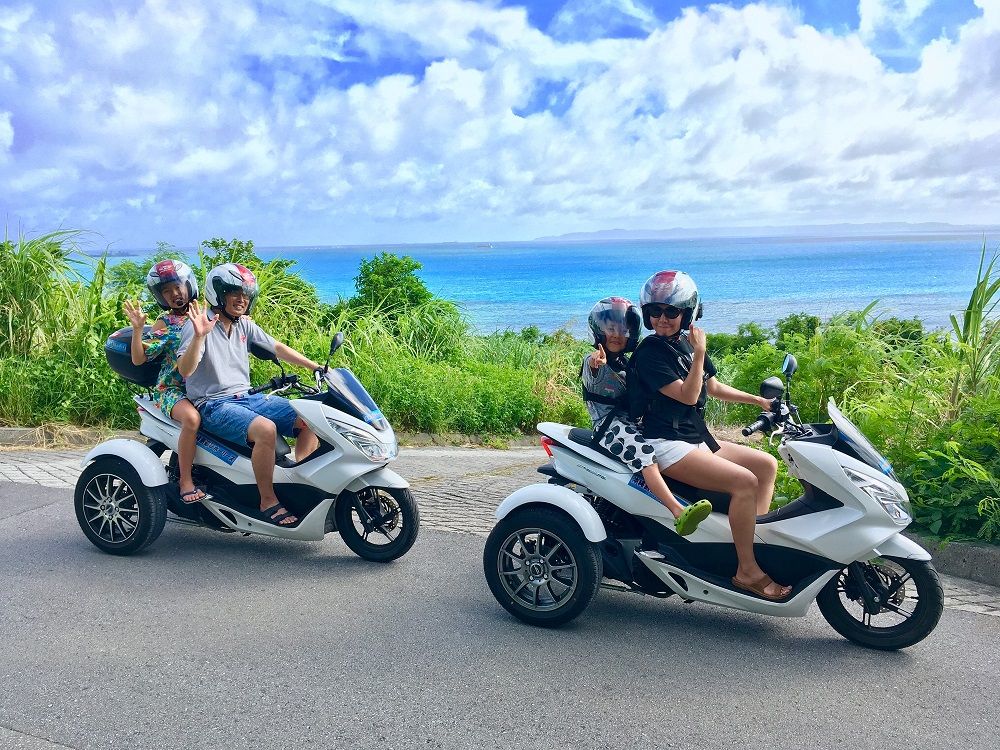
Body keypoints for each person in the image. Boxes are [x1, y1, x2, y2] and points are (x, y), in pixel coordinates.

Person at [629, 271, 790, 601]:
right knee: (744, 482)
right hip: (665, 444)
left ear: (686, 314)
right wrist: (700, 352)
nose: (662, 319)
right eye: (655, 312)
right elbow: (689, 395)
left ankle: (749, 544)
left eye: (671, 312)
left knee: (766, 465)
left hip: (694, 438)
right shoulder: (651, 353)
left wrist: (759, 401)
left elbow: (712, 387)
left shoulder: (683, 345)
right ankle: (746, 569)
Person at [176, 263, 321, 527]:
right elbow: (186, 369)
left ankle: (302, 481)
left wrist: (316, 367)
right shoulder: (198, 326)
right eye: (234, 293)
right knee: (265, 430)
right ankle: (267, 499)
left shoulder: (243, 325)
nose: (241, 299)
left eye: (245, 294)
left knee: (311, 416)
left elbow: (276, 346)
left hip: (247, 397)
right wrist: (199, 337)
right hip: (213, 404)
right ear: (218, 294)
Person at [582, 297, 713, 536]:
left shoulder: (627, 362)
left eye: (623, 330)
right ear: (598, 330)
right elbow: (592, 373)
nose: (616, 334)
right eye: (610, 328)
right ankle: (676, 511)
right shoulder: (593, 361)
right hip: (609, 426)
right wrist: (595, 364)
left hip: (630, 422)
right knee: (645, 454)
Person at [124, 259, 210, 505]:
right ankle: (185, 481)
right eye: (166, 291)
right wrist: (139, 329)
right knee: (192, 419)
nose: (174, 294)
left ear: (189, 285)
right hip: (172, 389)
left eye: (178, 286)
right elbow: (139, 359)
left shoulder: (207, 312)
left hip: (204, 388)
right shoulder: (167, 322)